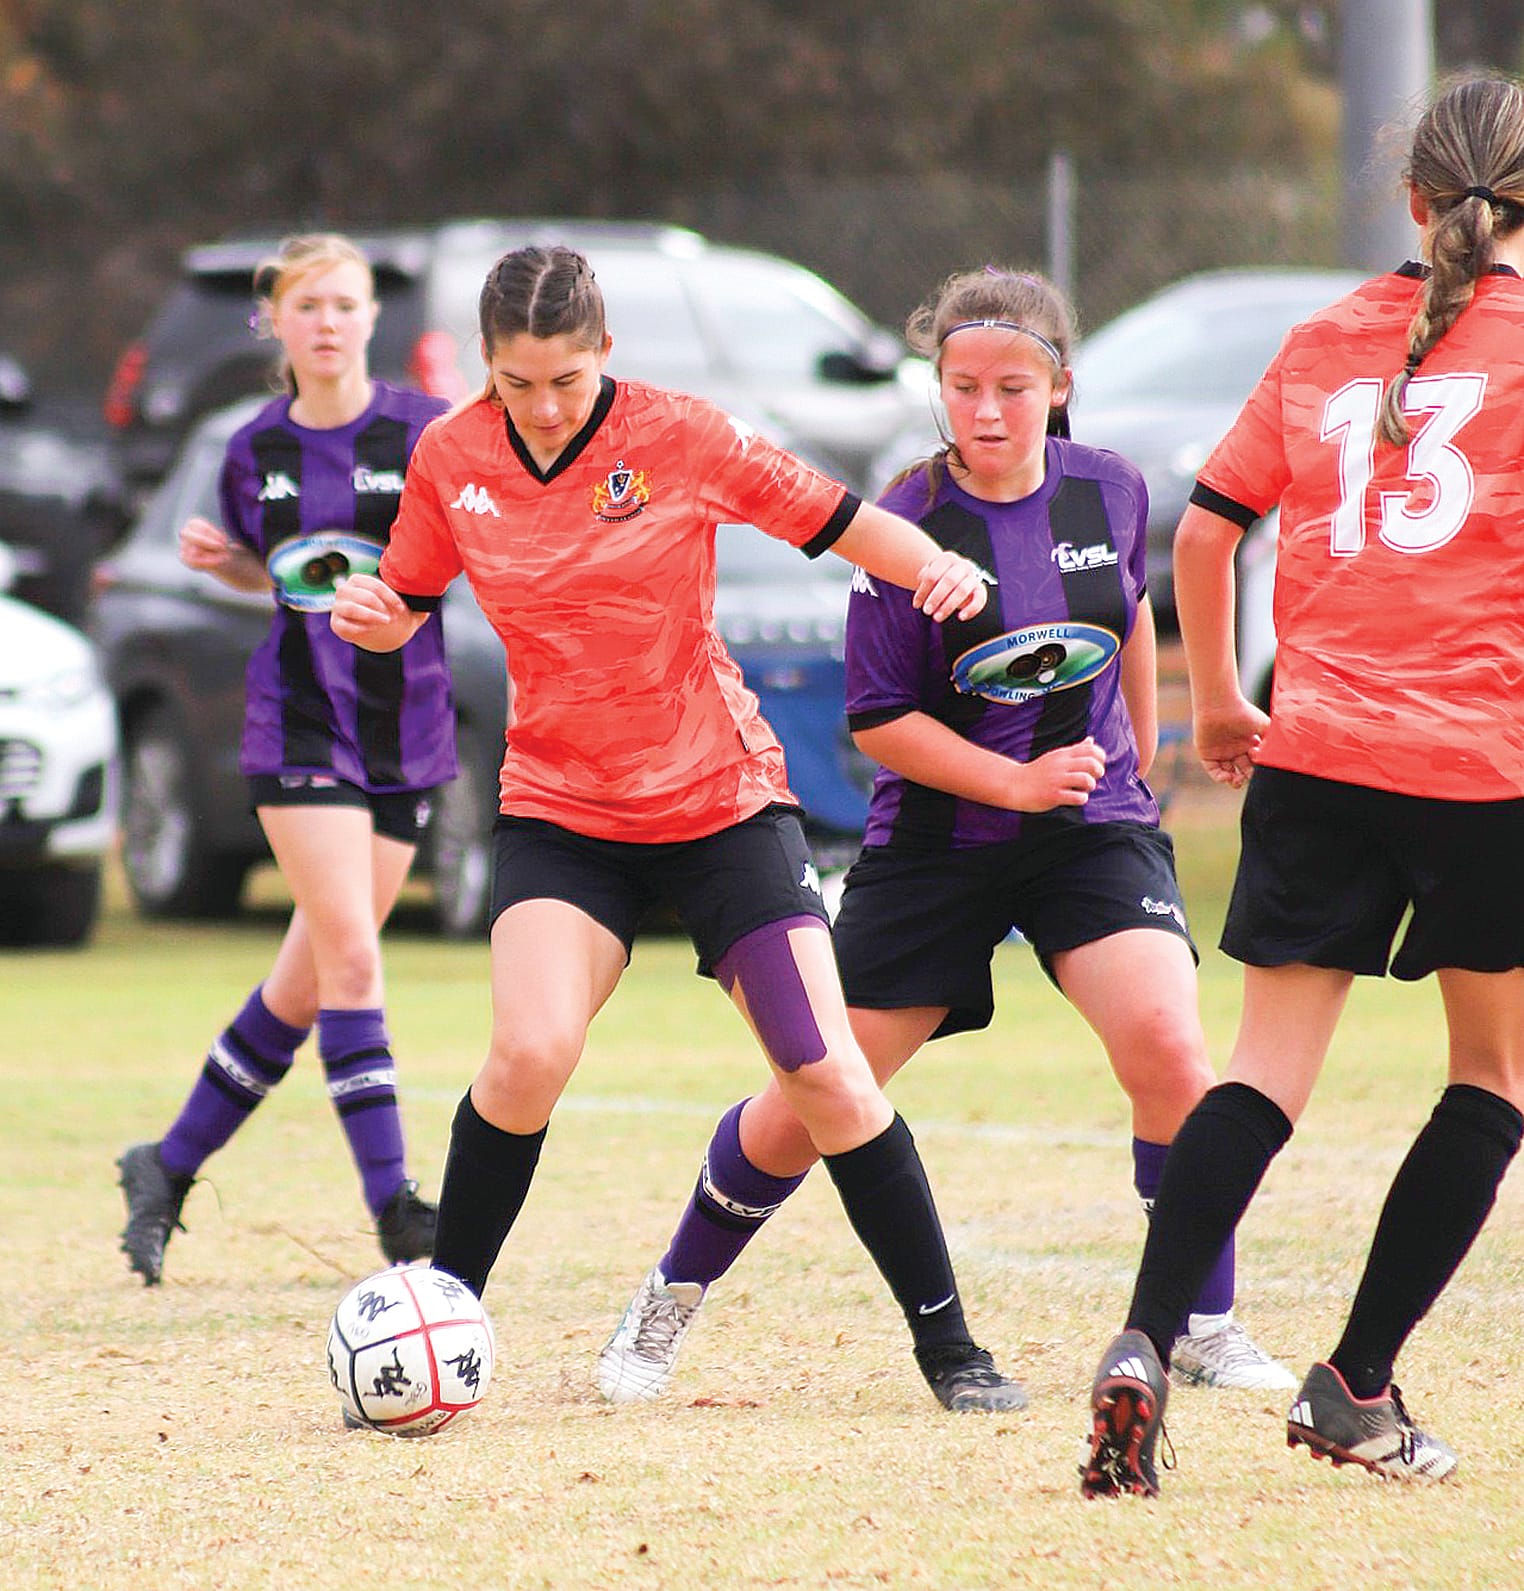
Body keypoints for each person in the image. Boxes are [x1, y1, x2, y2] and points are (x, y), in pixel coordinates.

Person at [329, 241, 1026, 1413]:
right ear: (487, 370)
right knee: (528, 1055)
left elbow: (845, 520)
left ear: (606, 352)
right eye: (517, 383)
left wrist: (937, 568)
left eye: (565, 379)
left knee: (826, 1074)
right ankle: (441, 1313)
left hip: (720, 801)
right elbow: (404, 597)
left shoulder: (682, 437)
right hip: (562, 810)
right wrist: (373, 616)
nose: (544, 407)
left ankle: (953, 1351)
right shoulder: (449, 460)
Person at [595, 266, 1294, 1408]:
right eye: (961, 386)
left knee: (1172, 1052)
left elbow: (1132, 615)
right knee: (821, 1090)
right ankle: (668, 1298)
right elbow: (878, 723)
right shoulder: (906, 522)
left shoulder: (1109, 489)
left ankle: (1201, 1324)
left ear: (1058, 385)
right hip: (935, 847)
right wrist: (1015, 784)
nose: (984, 410)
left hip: (1085, 827)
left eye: (1011, 387)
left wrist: (1137, 769)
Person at [1082, 74, 1524, 1499]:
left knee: (1264, 1071)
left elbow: (1205, 537)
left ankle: (1147, 1336)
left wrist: (1219, 699)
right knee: (1496, 1075)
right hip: (1483, 764)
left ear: (1411, 197)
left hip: (1319, 751)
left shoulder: (1328, 335)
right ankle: (1357, 1383)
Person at [117, 234, 453, 1285]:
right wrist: (232, 565)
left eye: (345, 304)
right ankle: (397, 1210)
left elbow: (458, 557)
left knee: (305, 983)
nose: (327, 322)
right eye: (306, 305)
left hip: (409, 726)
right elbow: (285, 578)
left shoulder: (424, 431)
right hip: (299, 724)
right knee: (352, 960)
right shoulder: (249, 446)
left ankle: (163, 1165)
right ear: (277, 320)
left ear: (369, 318)